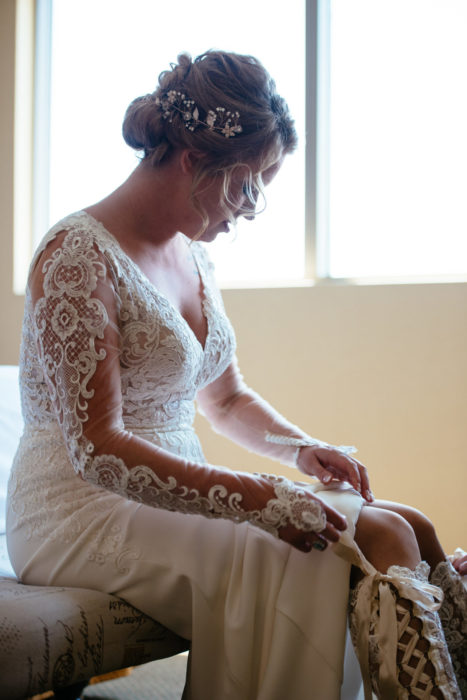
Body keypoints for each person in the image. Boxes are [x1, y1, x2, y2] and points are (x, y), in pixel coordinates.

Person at [6, 50, 465, 699]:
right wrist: (260, 499)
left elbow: (224, 398)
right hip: (81, 512)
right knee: (379, 532)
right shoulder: (77, 257)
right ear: (194, 160)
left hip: (170, 497)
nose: (250, 207)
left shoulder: (192, 255)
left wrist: (300, 449)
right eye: (248, 182)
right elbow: (100, 452)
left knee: (410, 523)